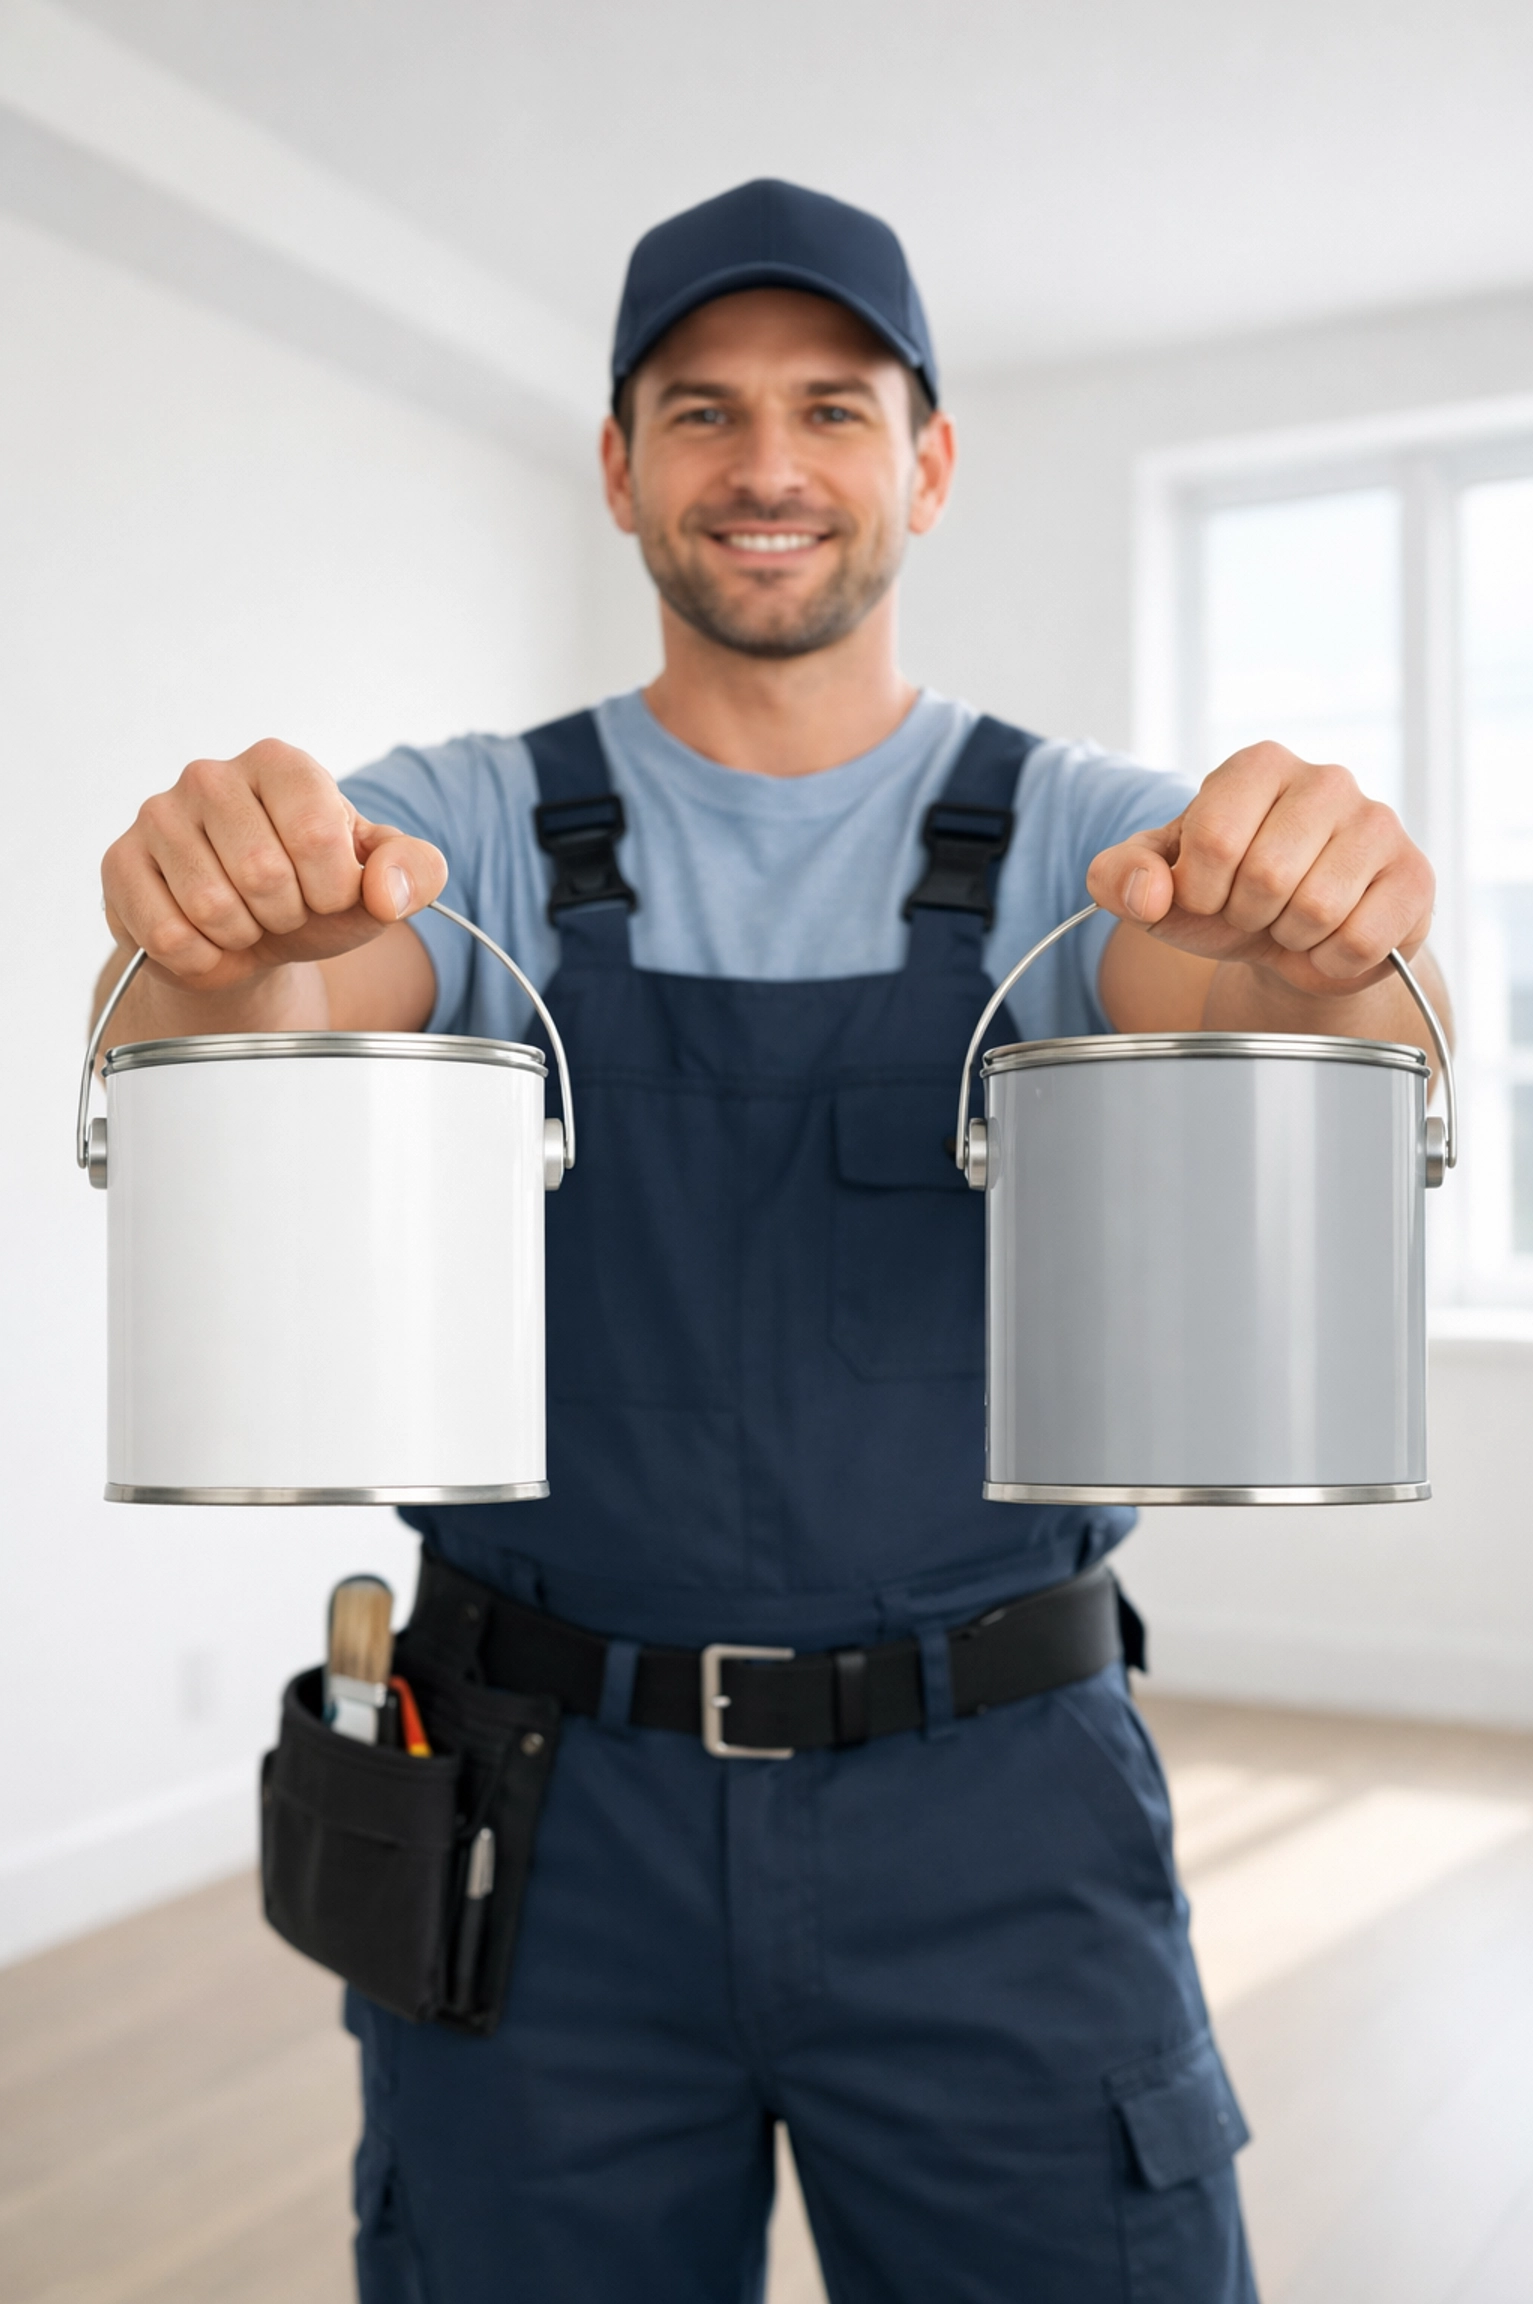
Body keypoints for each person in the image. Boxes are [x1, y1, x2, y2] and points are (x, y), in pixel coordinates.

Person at [95, 181, 1444, 2304]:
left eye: (833, 406)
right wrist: (220, 921)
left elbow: (1231, 988)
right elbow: (285, 995)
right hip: (538, 1828)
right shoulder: (466, 831)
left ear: (929, 461)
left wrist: (1321, 934)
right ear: (620, 463)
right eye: (702, 411)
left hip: (997, 1816)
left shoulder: (1092, 842)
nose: (768, 465)